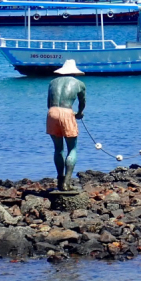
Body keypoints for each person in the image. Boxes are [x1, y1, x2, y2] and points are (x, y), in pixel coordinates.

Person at [47, 60, 86, 191]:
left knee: (58, 149)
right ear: (74, 72)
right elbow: (82, 103)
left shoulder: (52, 82)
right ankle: (67, 182)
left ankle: (60, 179)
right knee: (72, 149)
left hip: (52, 112)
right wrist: (79, 113)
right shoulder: (79, 84)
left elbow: (49, 104)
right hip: (67, 113)